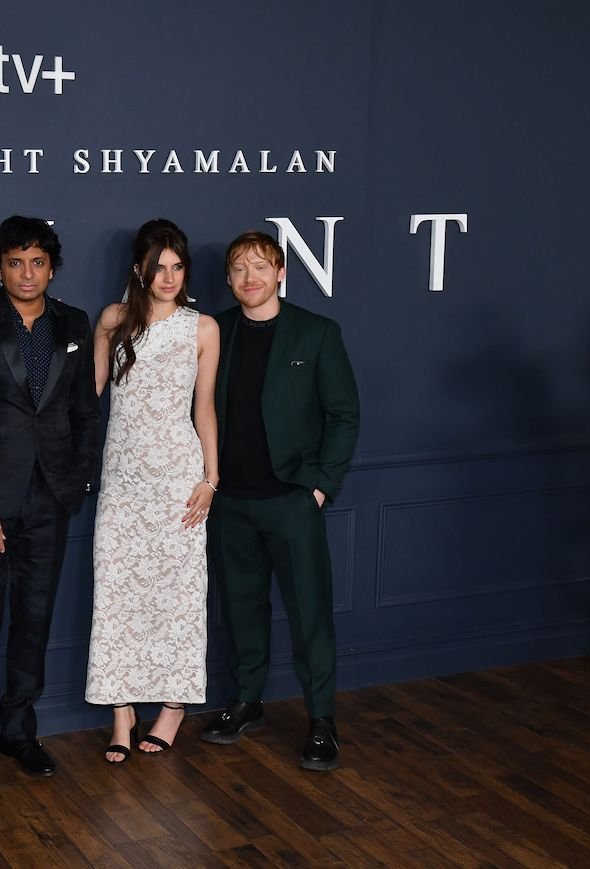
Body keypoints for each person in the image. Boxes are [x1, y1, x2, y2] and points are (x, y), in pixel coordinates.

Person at [0, 216, 99, 794]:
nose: (26, 273)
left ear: (51, 267)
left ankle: (19, 732)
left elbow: (85, 411)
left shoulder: (73, 323)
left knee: (34, 620)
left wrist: (76, 481)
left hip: (51, 499)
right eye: (14, 262)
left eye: (37, 261)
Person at [200, 230, 359, 771]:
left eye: (262, 266)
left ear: (281, 272)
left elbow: (344, 414)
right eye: (240, 268)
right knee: (241, 610)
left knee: (309, 612)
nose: (251, 278)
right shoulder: (213, 330)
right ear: (228, 278)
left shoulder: (316, 333)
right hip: (230, 502)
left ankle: (322, 721)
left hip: (292, 499)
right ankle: (246, 703)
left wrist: (319, 484)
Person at [84, 219, 219, 762]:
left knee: (179, 598)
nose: (168, 276)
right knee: (114, 593)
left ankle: (172, 708)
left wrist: (211, 478)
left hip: (177, 480)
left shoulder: (202, 327)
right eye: (158, 266)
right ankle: (122, 716)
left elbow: (204, 407)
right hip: (122, 479)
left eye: (177, 266)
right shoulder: (114, 320)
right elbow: (90, 391)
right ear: (139, 268)